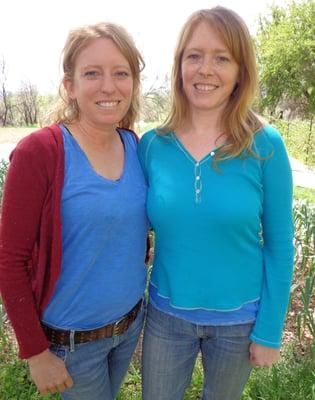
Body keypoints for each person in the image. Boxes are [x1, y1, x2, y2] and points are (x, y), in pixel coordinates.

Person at [138, 6, 294, 400]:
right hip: (166, 317)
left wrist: (269, 330)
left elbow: (280, 245)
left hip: (239, 322)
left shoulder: (266, 146)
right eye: (194, 56)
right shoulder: (153, 145)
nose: (205, 69)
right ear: (179, 66)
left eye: (221, 58)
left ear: (240, 71)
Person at [0, 22, 148, 400]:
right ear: (70, 85)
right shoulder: (41, 153)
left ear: (133, 82)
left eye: (121, 73)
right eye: (92, 73)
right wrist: (35, 351)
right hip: (72, 347)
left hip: (130, 326)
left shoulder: (134, 145)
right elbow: (9, 259)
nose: (108, 86)